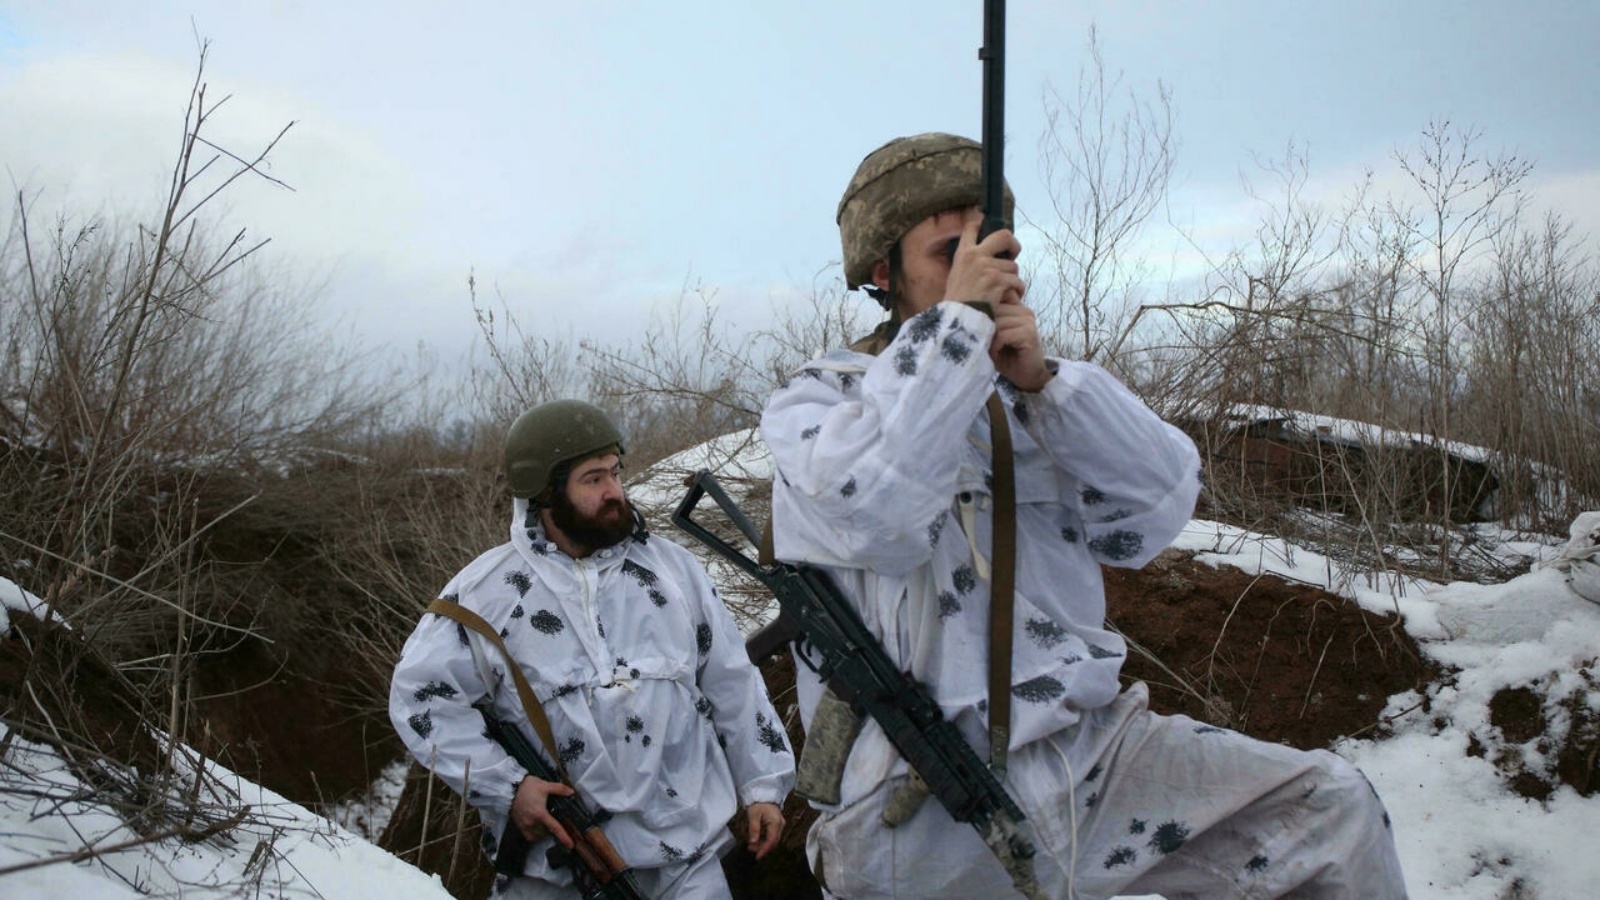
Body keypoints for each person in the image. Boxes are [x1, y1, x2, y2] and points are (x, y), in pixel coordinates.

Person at [760, 133, 1407, 898]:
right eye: (949, 255)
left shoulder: (1034, 396)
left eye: (993, 253)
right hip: (924, 796)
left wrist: (1044, 385)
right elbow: (881, 513)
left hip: (1091, 756)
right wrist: (957, 335)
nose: (984, 274)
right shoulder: (821, 405)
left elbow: (1151, 514)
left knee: (1327, 813)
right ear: (882, 270)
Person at [390, 399, 795, 899]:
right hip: (555, 871)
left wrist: (762, 787)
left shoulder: (674, 573)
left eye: (615, 473)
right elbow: (421, 698)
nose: (614, 493)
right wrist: (510, 787)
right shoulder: (484, 597)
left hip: (687, 863)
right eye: (593, 479)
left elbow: (732, 681)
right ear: (545, 494)